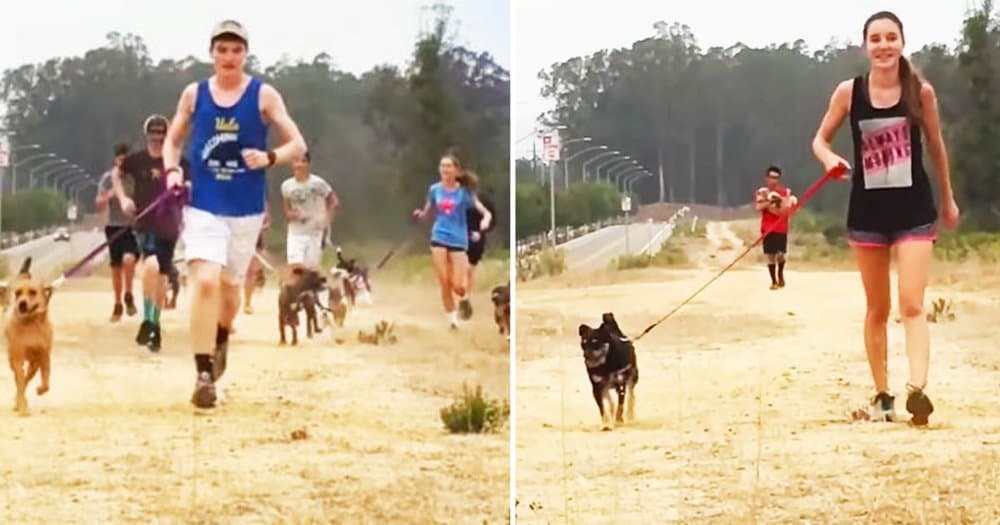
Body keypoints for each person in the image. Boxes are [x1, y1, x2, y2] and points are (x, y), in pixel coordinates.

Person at [811, 11, 959, 426]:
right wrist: (829, 159)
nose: (883, 46)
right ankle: (883, 395)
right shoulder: (849, 92)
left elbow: (937, 147)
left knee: (912, 303)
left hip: (914, 210)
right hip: (867, 213)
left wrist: (948, 200)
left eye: (891, 37)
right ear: (865, 46)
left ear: (902, 42)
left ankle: (918, 391)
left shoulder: (920, 92)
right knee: (877, 308)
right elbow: (819, 140)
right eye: (875, 39)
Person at [160, 19, 306, 409]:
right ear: (211, 53)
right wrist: (173, 170)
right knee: (204, 282)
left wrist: (271, 157)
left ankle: (221, 335)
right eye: (221, 50)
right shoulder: (194, 94)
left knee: (229, 291)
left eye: (235, 50)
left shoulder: (263, 95)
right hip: (204, 205)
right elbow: (173, 143)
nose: (228, 57)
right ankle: (203, 374)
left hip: (245, 209)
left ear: (245, 53)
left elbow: (298, 143)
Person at [113, 114, 189, 352]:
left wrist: (185, 189)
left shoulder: (178, 161)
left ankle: (154, 323)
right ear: (147, 134)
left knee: (163, 276)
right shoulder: (136, 160)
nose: (157, 138)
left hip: (170, 225)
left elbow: (190, 184)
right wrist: (124, 198)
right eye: (153, 133)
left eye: (161, 133)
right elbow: (116, 174)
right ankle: (147, 318)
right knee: (151, 266)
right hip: (145, 223)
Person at [412, 152, 492, 329]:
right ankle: (453, 321)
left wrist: (485, 221)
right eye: (442, 166)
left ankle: (463, 297)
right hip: (439, 236)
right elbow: (428, 211)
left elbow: (484, 212)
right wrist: (420, 215)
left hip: (458, 240)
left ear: (456, 170)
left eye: (448, 166)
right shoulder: (434, 190)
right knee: (443, 281)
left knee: (458, 285)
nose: (445, 169)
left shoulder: (464, 193)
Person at [96, 143, 138, 322]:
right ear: (116, 159)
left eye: (126, 160)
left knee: (129, 260)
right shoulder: (108, 178)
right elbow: (99, 203)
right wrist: (110, 195)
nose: (123, 163)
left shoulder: (135, 177)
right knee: (116, 267)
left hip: (133, 226)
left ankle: (129, 294)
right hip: (113, 226)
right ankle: (117, 303)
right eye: (120, 159)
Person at [280, 151, 338, 271]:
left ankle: (309, 289)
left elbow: (334, 202)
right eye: (296, 161)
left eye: (303, 161)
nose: (299, 165)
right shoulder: (287, 185)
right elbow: (287, 211)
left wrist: (326, 222)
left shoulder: (318, 183)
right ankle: (294, 288)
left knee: (310, 271)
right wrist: (294, 215)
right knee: (295, 268)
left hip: (314, 233)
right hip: (295, 233)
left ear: (308, 164)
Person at [753, 166, 795, 290]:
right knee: (770, 255)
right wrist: (770, 201)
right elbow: (759, 207)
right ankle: (774, 281)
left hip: (781, 227)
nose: (773, 180)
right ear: (767, 178)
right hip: (768, 228)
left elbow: (787, 208)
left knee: (781, 254)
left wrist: (781, 201)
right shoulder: (762, 192)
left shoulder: (785, 192)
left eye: (776, 178)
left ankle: (780, 273)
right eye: (771, 177)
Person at [462, 174, 496, 319]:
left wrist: (482, 231)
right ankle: (461, 297)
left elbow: (492, 219)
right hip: (458, 237)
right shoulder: (455, 201)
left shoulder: (483, 201)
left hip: (476, 239)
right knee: (461, 268)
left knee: (469, 270)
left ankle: (465, 297)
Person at [242, 201, 271, 315]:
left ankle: (247, 303)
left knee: (251, 271)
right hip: (235, 237)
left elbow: (267, 221)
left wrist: (259, 228)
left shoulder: (259, 197)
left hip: (255, 239)